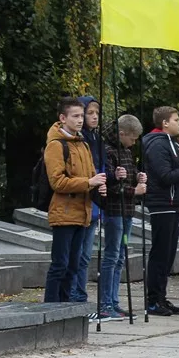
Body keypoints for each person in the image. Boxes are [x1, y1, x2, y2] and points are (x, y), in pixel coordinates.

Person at [43, 96, 106, 302]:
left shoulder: (83, 144)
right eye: (75, 116)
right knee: (60, 265)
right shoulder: (56, 145)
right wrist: (89, 182)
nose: (80, 120)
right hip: (64, 213)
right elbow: (58, 182)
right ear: (63, 118)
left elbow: (90, 175)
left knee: (73, 265)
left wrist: (98, 186)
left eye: (81, 116)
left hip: (82, 212)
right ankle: (51, 307)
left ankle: (66, 308)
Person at [141, 106, 179, 316]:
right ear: (165, 123)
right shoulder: (158, 145)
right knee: (160, 254)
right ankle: (153, 300)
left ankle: (161, 297)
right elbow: (165, 176)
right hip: (162, 204)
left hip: (173, 204)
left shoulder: (173, 144)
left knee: (168, 255)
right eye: (176, 119)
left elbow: (176, 174)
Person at [99, 114, 146, 319]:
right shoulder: (108, 151)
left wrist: (138, 176)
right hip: (114, 210)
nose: (134, 143)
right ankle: (105, 303)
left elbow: (130, 174)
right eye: (132, 138)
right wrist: (133, 191)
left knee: (120, 257)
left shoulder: (126, 151)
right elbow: (110, 184)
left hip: (127, 210)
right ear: (122, 133)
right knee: (111, 256)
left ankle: (114, 301)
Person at [72, 96, 104, 308]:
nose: (94, 117)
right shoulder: (79, 139)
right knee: (76, 254)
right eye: (89, 113)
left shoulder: (96, 139)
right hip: (80, 202)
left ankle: (81, 295)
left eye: (96, 113)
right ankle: (74, 295)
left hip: (94, 204)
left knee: (85, 256)